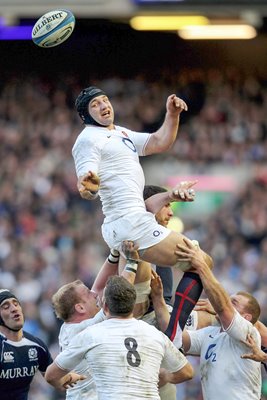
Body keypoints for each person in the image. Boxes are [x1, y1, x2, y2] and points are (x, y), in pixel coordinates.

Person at [72, 86, 213, 270]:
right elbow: (87, 184)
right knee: (201, 262)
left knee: (140, 292)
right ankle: (187, 301)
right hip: (130, 221)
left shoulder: (119, 133)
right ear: (86, 116)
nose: (103, 105)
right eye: (95, 104)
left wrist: (172, 114)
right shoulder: (87, 139)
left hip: (129, 222)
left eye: (105, 100)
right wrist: (88, 187)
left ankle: (165, 301)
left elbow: (159, 142)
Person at [45, 275, 194, 399]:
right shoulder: (156, 335)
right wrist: (162, 376)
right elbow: (187, 372)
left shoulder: (89, 336)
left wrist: (69, 379)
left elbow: (51, 376)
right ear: (132, 305)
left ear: (105, 306)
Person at [174, 238, 262, 400]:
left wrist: (202, 265)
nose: (228, 303)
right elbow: (177, 336)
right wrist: (158, 301)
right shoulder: (211, 334)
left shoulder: (249, 333)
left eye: (234, 302)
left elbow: (222, 307)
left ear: (246, 317)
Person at [52, 279, 104, 400]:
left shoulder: (67, 328)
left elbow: (98, 286)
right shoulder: (79, 330)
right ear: (80, 308)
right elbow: (117, 302)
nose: (95, 294)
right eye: (88, 293)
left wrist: (112, 259)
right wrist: (131, 265)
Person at [0, 289, 53, 400]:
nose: (14, 309)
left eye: (16, 304)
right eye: (6, 307)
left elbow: (58, 380)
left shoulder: (37, 345)